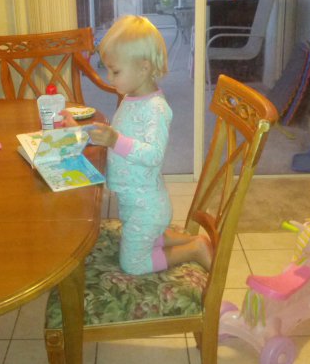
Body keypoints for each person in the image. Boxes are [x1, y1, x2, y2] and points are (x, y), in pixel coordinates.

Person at [61, 15, 212, 275]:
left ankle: (195, 248)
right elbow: (118, 137)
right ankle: (186, 239)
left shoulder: (156, 109)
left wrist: (115, 140)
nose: (109, 78)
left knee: (132, 264)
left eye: (115, 71)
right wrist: (81, 131)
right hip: (136, 203)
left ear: (143, 69)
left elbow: (153, 154)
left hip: (146, 207)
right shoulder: (132, 98)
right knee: (148, 238)